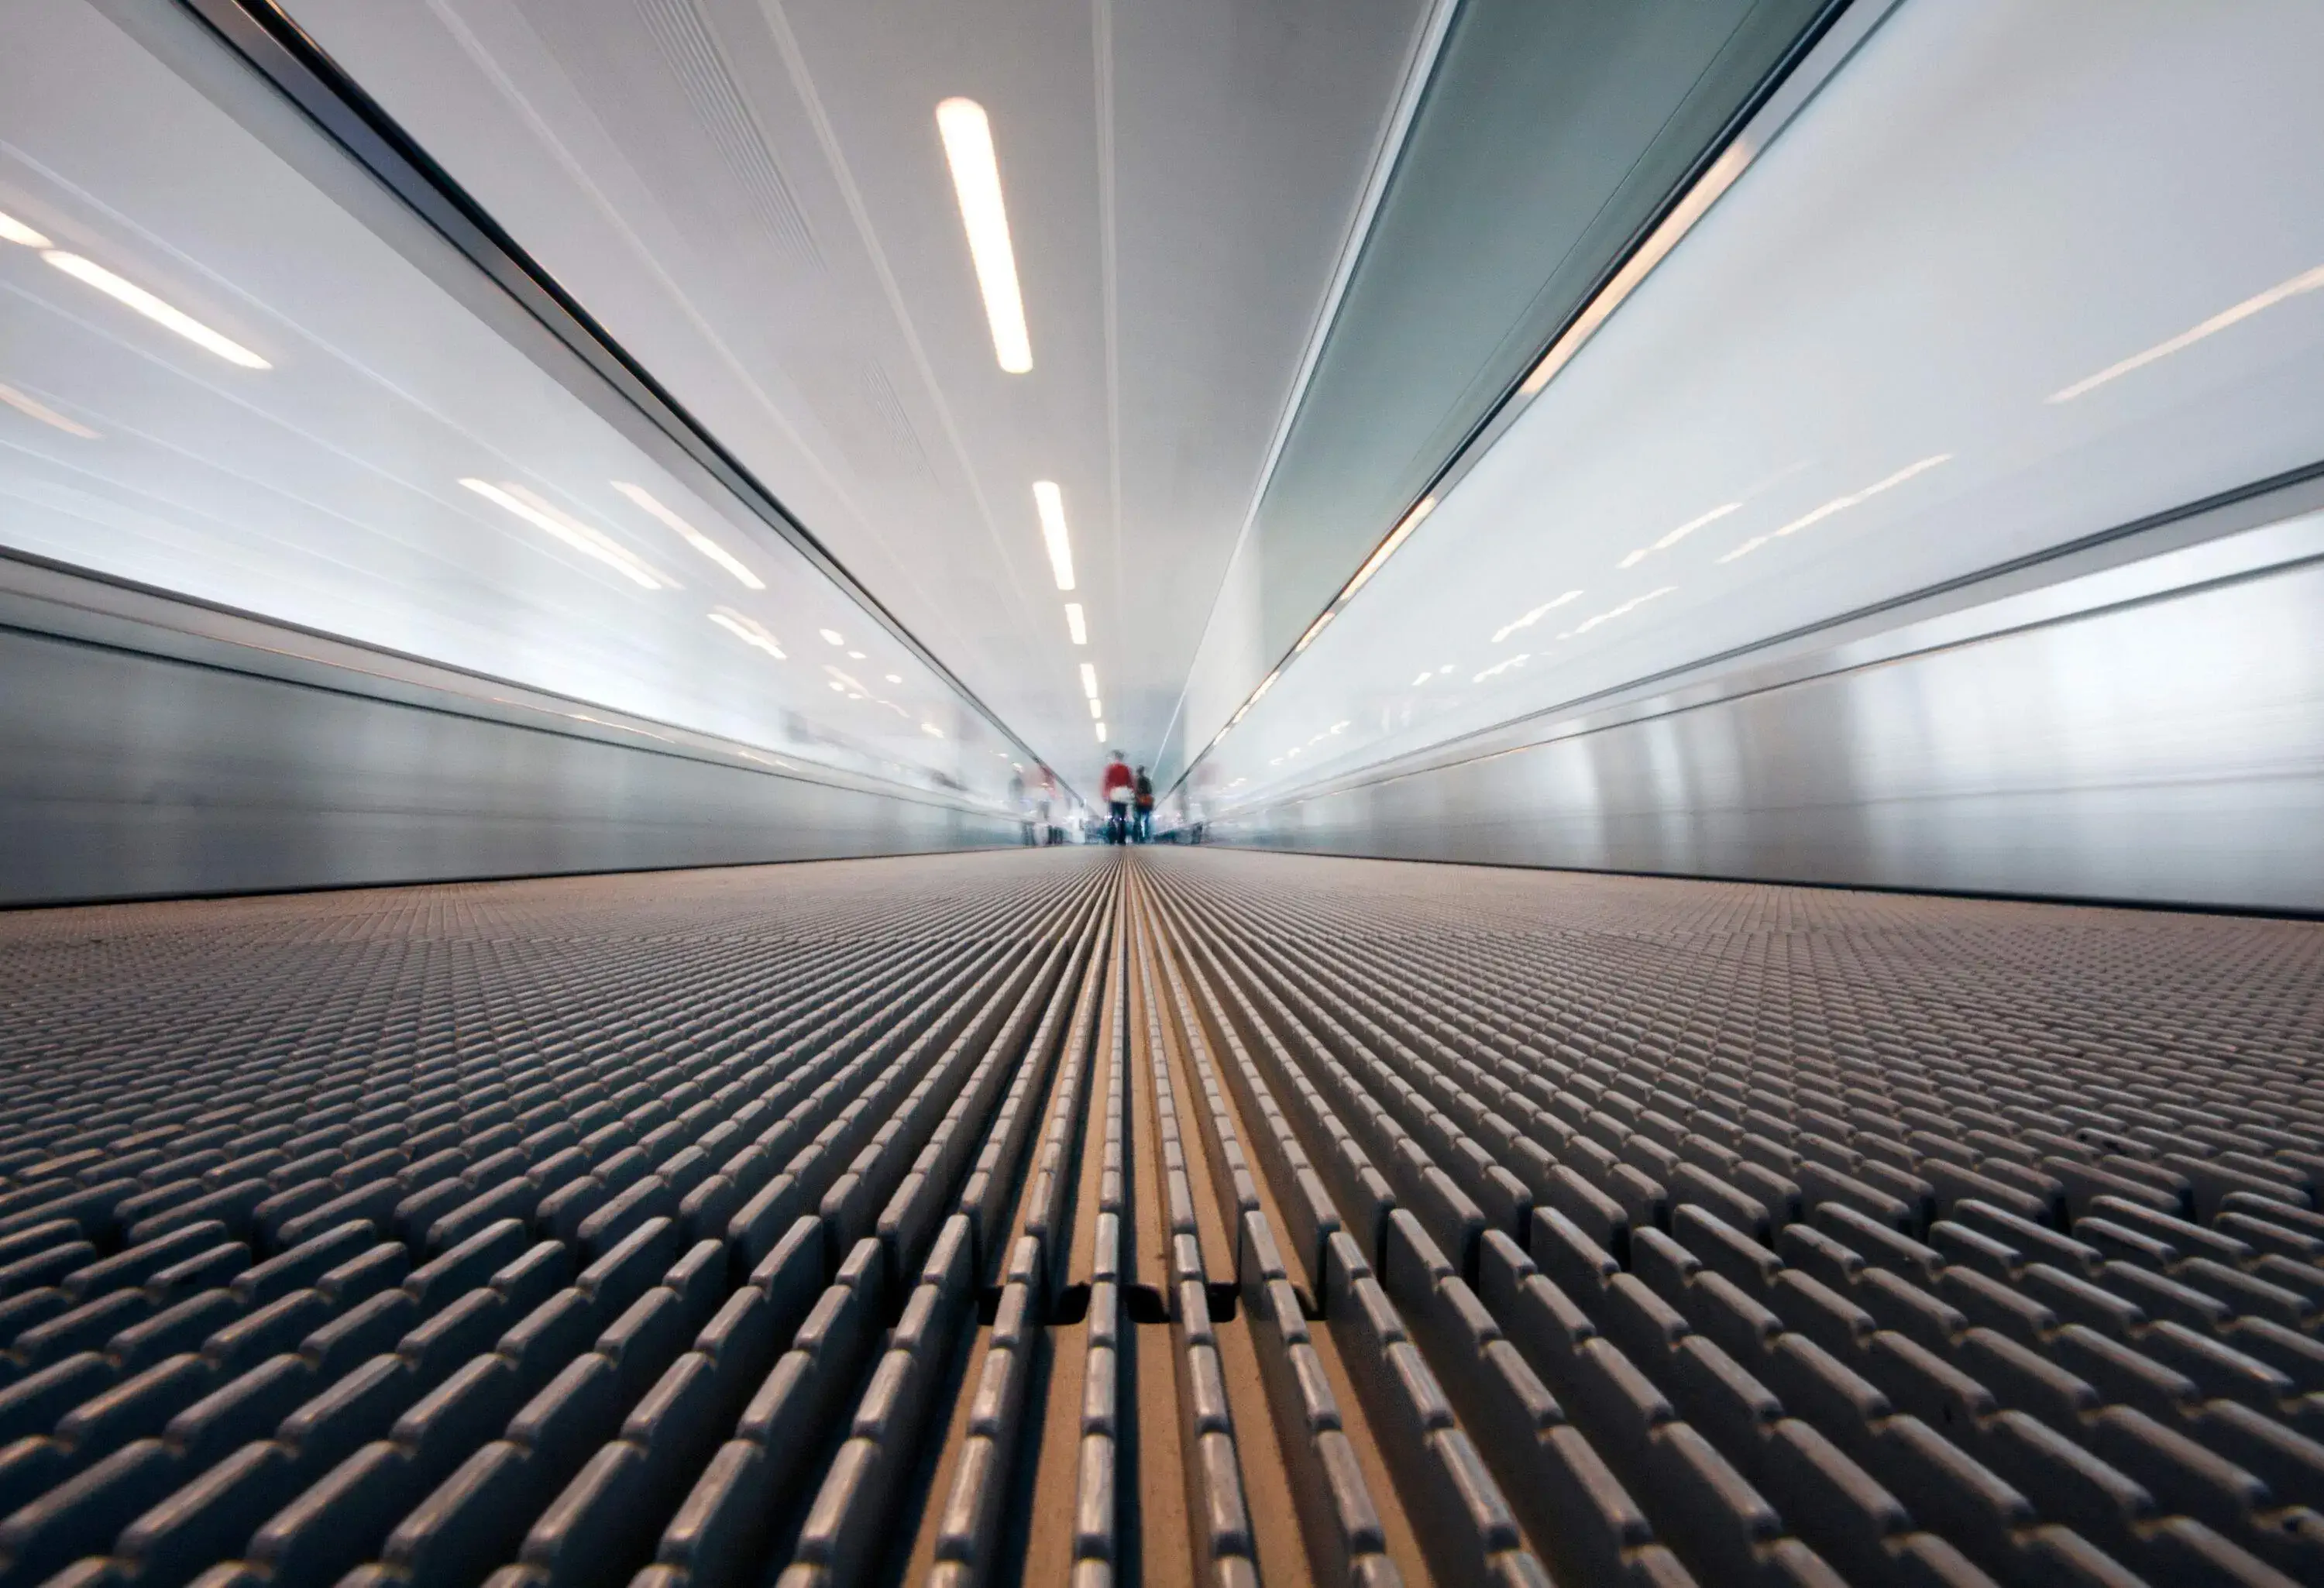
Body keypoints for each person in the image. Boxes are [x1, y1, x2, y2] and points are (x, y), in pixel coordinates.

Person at [1100, 751, 1133, 844]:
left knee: (1113, 816)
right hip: (1123, 793)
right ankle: (1121, 839)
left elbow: (1106, 782)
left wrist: (1105, 794)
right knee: (1122, 818)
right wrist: (1132, 793)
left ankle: (1111, 837)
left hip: (1113, 793)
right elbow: (1130, 783)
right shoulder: (1126, 769)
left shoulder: (1110, 768)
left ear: (1114, 758)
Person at [1133, 767, 1154, 843]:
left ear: (1137, 772)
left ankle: (1139, 837)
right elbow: (1150, 791)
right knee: (1146, 820)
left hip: (1138, 802)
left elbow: (1134, 791)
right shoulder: (1147, 780)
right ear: (1143, 772)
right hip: (1147, 802)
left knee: (1137, 820)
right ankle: (1146, 837)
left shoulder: (1135, 780)